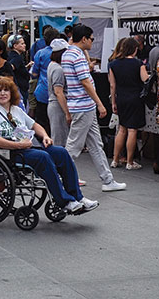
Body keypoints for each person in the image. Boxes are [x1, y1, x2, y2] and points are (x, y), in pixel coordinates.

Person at [0, 76, 98, 215]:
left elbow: (35, 125)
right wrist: (17, 145)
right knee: (42, 157)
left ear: (11, 93)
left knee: (61, 152)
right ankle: (65, 202)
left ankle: (78, 197)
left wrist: (45, 136)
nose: (3, 93)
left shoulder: (16, 110)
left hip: (27, 146)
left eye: (6, 90)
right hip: (9, 152)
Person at [62, 25, 126, 192]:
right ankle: (60, 176)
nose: (92, 41)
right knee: (74, 147)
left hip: (81, 105)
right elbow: (85, 81)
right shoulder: (76, 55)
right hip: (83, 105)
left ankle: (107, 179)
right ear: (84, 39)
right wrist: (99, 102)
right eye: (91, 38)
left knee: (95, 144)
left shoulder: (69, 53)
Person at [108, 35, 148, 170]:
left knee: (121, 129)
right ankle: (130, 162)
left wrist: (113, 101)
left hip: (121, 98)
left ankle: (115, 159)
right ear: (134, 49)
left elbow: (112, 86)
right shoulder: (138, 64)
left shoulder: (113, 64)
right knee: (132, 130)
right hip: (135, 98)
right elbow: (145, 79)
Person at [29, 28, 59, 131]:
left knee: (42, 122)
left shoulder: (40, 53)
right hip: (58, 92)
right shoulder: (62, 52)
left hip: (42, 92)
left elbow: (34, 73)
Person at [46, 39, 70, 140]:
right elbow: (58, 92)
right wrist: (67, 113)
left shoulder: (52, 65)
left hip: (54, 104)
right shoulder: (58, 69)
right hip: (58, 106)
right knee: (60, 139)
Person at [8, 35, 30, 101]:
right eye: (22, 43)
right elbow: (10, 68)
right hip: (20, 89)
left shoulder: (11, 55)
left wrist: (26, 67)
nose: (25, 45)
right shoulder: (17, 57)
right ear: (15, 46)